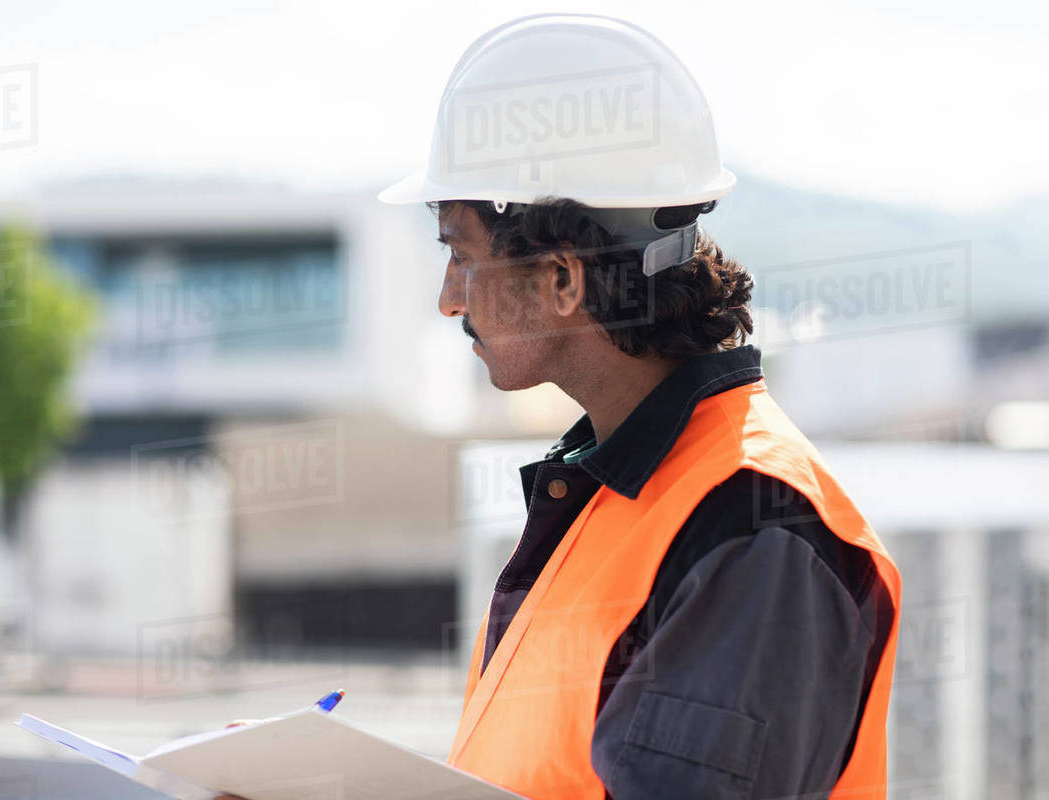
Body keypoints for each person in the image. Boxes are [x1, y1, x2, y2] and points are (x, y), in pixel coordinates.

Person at [375, 13, 903, 800]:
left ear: (561, 279)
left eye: (460, 254)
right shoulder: (616, 497)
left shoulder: (755, 528)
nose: (450, 299)